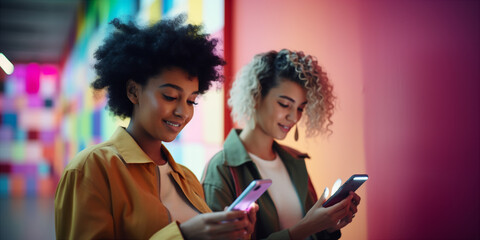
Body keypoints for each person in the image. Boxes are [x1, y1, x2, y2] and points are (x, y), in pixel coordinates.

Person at [54, 16, 258, 240]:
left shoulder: (187, 179)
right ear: (133, 92)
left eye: (191, 101)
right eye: (170, 96)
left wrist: (234, 233)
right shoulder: (91, 169)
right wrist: (185, 235)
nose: (183, 112)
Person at [202, 49, 361, 240]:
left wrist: (327, 227)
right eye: (285, 104)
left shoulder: (294, 161)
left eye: (300, 108)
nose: (294, 117)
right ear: (256, 95)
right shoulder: (222, 169)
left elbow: (312, 234)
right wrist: (305, 227)